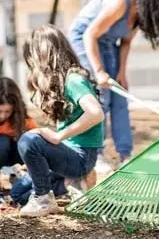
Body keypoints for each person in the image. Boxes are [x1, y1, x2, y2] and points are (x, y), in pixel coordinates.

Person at [68, 0, 159, 166]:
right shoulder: (119, 2)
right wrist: (99, 71)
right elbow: (89, 34)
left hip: (107, 43)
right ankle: (96, 155)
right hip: (84, 39)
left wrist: (121, 73)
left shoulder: (140, 15)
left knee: (120, 97)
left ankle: (125, 155)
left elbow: (125, 43)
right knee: (101, 97)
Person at [17, 24, 105, 217]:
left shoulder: (73, 80)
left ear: (43, 57)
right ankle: (75, 183)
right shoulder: (61, 82)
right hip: (69, 152)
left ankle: (43, 199)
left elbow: (96, 113)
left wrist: (58, 136)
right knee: (19, 192)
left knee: (28, 141)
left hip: (81, 157)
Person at [0, 76, 38, 193]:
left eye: (7, 111)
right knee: (2, 141)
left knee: (27, 139)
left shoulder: (22, 120)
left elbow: (38, 143)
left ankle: (18, 178)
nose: (2, 116)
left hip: (15, 161)